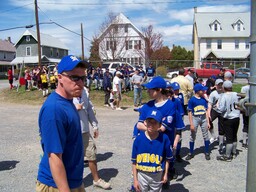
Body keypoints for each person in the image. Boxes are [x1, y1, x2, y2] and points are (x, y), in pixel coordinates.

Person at [36, 55, 88, 192]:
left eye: (83, 78)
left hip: (73, 181)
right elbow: (54, 156)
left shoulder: (69, 101)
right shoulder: (54, 109)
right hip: (56, 185)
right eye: (74, 78)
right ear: (59, 78)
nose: (80, 83)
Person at [73, 87, 111, 189]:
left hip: (85, 131)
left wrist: (95, 126)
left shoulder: (84, 91)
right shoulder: (65, 91)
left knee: (92, 155)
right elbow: (60, 109)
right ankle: (72, 182)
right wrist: (73, 108)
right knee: (73, 158)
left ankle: (96, 180)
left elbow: (89, 108)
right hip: (71, 132)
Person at [132, 109, 172, 192]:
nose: (151, 125)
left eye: (155, 122)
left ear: (160, 125)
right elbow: (134, 162)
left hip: (157, 174)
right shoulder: (138, 139)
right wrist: (135, 180)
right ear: (145, 122)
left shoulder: (164, 139)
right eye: (149, 121)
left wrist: (165, 174)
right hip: (142, 174)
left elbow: (168, 158)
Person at [186, 84, 211, 161]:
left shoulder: (203, 100)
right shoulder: (192, 100)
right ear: (198, 91)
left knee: (206, 135)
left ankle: (207, 152)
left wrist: (208, 122)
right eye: (202, 90)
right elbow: (189, 112)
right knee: (193, 135)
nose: (204, 91)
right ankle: (191, 152)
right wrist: (191, 124)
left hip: (203, 118)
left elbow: (206, 111)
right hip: (195, 118)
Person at [217, 81, 240, 162]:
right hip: (236, 117)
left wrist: (217, 107)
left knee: (229, 138)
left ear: (224, 87)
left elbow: (222, 108)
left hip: (228, 118)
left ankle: (227, 156)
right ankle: (234, 153)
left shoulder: (224, 96)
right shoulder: (236, 94)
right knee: (234, 136)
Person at [208, 79, 224, 149]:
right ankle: (213, 135)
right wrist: (208, 113)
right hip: (214, 110)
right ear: (216, 85)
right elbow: (210, 104)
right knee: (208, 120)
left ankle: (221, 140)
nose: (220, 86)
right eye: (218, 84)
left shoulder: (225, 92)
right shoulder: (213, 93)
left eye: (221, 84)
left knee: (222, 126)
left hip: (222, 111)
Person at [241, 80, 250, 149]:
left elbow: (242, 98)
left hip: (245, 108)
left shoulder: (244, 88)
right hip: (251, 108)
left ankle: (244, 142)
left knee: (246, 124)